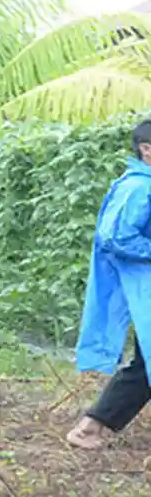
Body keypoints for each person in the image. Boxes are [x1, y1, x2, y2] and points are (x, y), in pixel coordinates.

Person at [67, 118, 151, 450]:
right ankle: (90, 427)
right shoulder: (137, 188)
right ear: (147, 150)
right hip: (144, 290)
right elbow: (115, 237)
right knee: (144, 366)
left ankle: (92, 426)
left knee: (145, 366)